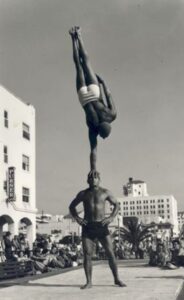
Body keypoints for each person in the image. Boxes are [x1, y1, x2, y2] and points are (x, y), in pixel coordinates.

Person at [69, 26, 117, 171]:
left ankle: (79, 35)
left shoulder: (111, 115)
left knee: (86, 62)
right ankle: (72, 38)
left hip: (95, 93)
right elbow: (93, 151)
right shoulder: (92, 127)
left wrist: (103, 82)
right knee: (78, 66)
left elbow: (108, 95)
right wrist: (93, 169)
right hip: (84, 98)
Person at [69, 171, 126, 289]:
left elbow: (116, 205)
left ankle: (116, 279)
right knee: (87, 254)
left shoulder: (105, 192)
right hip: (88, 226)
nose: (93, 179)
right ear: (87, 180)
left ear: (99, 179)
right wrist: (77, 218)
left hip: (101, 225)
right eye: (90, 177)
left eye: (95, 177)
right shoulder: (83, 193)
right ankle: (89, 281)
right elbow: (72, 206)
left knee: (110, 253)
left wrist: (111, 217)